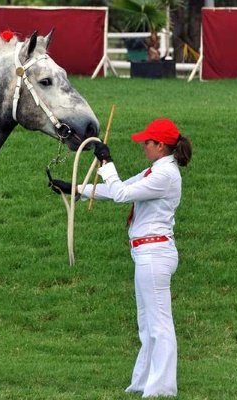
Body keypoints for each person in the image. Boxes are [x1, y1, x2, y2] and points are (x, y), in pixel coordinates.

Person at [48, 118, 192, 398]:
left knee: (159, 324)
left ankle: (161, 389)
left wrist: (107, 163)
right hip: (147, 252)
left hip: (154, 253)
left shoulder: (165, 175)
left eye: (147, 143)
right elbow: (119, 188)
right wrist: (75, 189)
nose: (144, 147)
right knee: (147, 324)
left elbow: (122, 194)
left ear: (161, 146)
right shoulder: (156, 170)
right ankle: (143, 383)